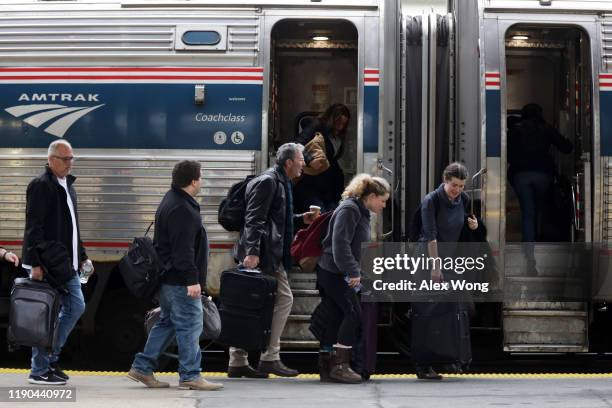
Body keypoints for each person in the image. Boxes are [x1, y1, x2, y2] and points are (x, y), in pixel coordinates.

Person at [128, 160, 223, 391]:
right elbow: (183, 250)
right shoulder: (183, 208)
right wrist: (192, 280)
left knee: (167, 323)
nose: (201, 181)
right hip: (180, 281)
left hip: (168, 279)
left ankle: (142, 368)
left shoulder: (171, 200)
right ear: (192, 181)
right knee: (191, 325)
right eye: (200, 177)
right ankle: (190, 375)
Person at [228, 143, 317, 378]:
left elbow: (277, 219)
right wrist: (253, 252)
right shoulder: (269, 181)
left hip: (270, 252)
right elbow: (254, 219)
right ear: (288, 162)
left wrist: (300, 219)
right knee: (282, 300)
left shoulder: (280, 182)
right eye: (300, 160)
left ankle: (239, 359)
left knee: (249, 304)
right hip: (265, 255)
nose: (303, 164)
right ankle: (269, 357)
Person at [21, 139, 92, 385]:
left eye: (71, 158)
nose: (69, 163)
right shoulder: (41, 186)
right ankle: (39, 370)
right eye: (65, 159)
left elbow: (73, 228)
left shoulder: (67, 186)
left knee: (74, 307)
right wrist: (34, 264)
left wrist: (82, 255)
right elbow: (33, 228)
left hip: (67, 264)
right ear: (51, 160)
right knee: (49, 316)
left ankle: (49, 359)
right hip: (49, 264)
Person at [315, 174, 390, 384]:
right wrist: (354, 273)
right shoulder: (350, 209)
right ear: (372, 196)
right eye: (382, 200)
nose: (384, 205)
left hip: (336, 271)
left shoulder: (359, 210)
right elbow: (340, 245)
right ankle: (340, 366)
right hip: (335, 272)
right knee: (353, 314)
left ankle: (327, 366)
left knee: (336, 316)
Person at [415, 162, 478, 380]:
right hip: (428, 259)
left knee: (456, 308)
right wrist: (435, 267)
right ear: (445, 180)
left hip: (449, 260)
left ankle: (448, 358)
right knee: (429, 312)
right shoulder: (431, 201)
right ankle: (424, 365)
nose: (457, 190)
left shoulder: (464, 200)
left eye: (461, 186)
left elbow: (466, 227)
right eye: (454, 185)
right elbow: (430, 234)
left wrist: (474, 226)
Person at [508, 103, 573, 274]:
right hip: (543, 176)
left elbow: (507, 153)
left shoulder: (515, 129)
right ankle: (541, 241)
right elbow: (566, 148)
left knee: (528, 213)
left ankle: (530, 255)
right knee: (540, 210)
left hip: (521, 176)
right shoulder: (546, 128)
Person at [293, 103, 351, 214]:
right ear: (331, 119)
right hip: (310, 184)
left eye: (344, 124)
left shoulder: (337, 135)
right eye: (338, 122)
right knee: (320, 219)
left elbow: (332, 161)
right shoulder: (317, 126)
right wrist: (310, 160)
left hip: (326, 187)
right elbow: (296, 145)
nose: (341, 127)